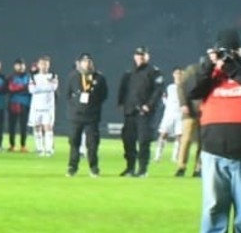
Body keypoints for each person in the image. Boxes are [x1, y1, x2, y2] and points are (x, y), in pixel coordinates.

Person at [188, 29, 241, 233]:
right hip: (213, 148)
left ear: (240, 49)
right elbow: (192, 92)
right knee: (213, 202)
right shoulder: (210, 70)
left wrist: (231, 66)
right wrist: (209, 66)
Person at [117, 47, 162, 176]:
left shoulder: (153, 71)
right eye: (138, 55)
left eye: (143, 55)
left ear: (147, 56)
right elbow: (123, 88)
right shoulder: (129, 72)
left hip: (145, 112)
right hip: (130, 111)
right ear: (134, 56)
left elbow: (158, 91)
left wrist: (149, 105)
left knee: (143, 141)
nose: (140, 57)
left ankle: (142, 169)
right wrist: (121, 103)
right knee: (128, 140)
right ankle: (130, 167)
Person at [66, 53, 108, 177]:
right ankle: (72, 167)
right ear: (80, 63)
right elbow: (67, 95)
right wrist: (75, 106)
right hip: (76, 115)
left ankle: (93, 167)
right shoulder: (73, 76)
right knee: (74, 142)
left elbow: (104, 95)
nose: (87, 64)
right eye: (84, 61)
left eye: (89, 61)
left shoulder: (99, 78)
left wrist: (93, 104)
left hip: (92, 116)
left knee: (92, 143)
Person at [174, 63, 204, 178]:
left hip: (206, 111)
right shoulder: (192, 70)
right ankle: (181, 167)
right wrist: (183, 104)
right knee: (186, 140)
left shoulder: (216, 72)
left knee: (203, 142)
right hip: (191, 111)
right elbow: (181, 86)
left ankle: (199, 168)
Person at [28, 56, 59, 155]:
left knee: (48, 127)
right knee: (37, 127)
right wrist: (46, 87)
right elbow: (31, 90)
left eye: (46, 64)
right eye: (42, 64)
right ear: (38, 65)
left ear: (49, 65)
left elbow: (53, 87)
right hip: (36, 107)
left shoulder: (53, 75)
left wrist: (39, 88)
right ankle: (39, 148)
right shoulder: (33, 76)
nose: (44, 66)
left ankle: (49, 149)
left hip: (48, 107)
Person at [154, 68, 185, 164]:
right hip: (169, 114)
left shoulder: (186, 87)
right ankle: (157, 156)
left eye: (180, 73)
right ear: (173, 74)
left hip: (180, 115)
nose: (178, 75)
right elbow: (165, 99)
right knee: (163, 134)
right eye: (176, 73)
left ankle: (175, 157)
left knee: (179, 136)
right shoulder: (169, 87)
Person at [5, 60, 31, 151]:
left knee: (23, 126)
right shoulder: (10, 77)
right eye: (18, 65)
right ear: (14, 66)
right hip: (13, 103)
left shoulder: (29, 77)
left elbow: (30, 88)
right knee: (12, 125)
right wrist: (23, 87)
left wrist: (18, 88)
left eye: (22, 65)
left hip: (25, 104)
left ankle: (23, 145)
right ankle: (12, 145)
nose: (20, 67)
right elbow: (11, 88)